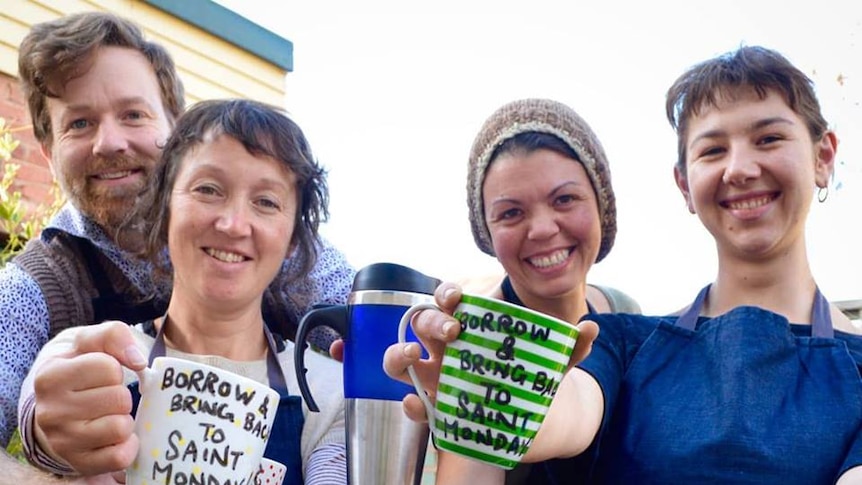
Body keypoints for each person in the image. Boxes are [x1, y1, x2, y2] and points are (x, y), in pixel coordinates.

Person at [385, 45, 862, 484]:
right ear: (684, 185)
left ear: (823, 157)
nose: (738, 168)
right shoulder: (621, 340)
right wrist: (485, 396)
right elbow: (567, 411)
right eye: (713, 149)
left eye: (769, 138)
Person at [0, 11, 354, 448]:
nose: (109, 142)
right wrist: (51, 458)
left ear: (176, 130)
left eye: (133, 114)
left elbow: (384, 346)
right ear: (48, 152)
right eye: (79, 123)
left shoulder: (290, 253)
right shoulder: (27, 293)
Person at [17, 99, 347, 484]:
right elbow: (42, 410)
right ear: (164, 209)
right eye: (208, 189)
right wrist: (46, 432)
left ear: (292, 239)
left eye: (266, 202)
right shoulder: (97, 356)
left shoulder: (327, 392)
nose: (233, 223)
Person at [380, 97, 638, 484]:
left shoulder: (625, 314)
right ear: (486, 231)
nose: (542, 229)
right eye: (511, 213)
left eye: (564, 199)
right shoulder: (469, 339)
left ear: (602, 204)